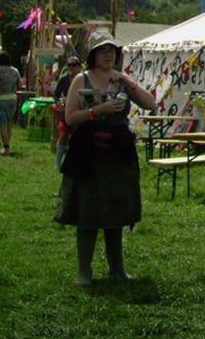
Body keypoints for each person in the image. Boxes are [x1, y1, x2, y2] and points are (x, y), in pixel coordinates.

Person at [53, 30, 156, 287]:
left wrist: (129, 83)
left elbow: (151, 104)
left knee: (116, 209)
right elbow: (69, 117)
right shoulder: (81, 79)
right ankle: (84, 271)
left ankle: (117, 269)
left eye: (112, 50)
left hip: (117, 152)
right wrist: (96, 111)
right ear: (93, 55)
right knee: (87, 211)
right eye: (103, 50)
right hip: (88, 150)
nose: (109, 54)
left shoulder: (121, 80)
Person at [52, 56, 82, 168]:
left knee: (77, 137)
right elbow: (56, 93)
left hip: (80, 110)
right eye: (69, 65)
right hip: (66, 110)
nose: (71, 67)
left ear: (78, 66)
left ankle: (74, 162)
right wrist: (59, 104)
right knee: (63, 135)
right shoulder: (64, 78)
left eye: (73, 65)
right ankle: (57, 163)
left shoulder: (83, 78)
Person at [0, 51, 22, 156]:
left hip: (0, 99)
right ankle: (7, 144)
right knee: (9, 123)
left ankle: (6, 147)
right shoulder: (15, 71)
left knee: (2, 124)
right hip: (12, 99)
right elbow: (19, 85)